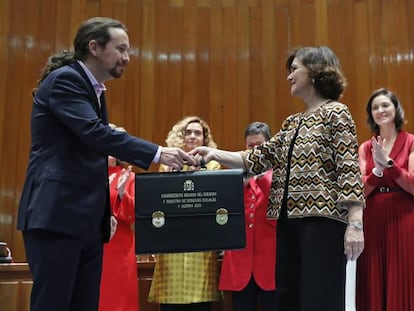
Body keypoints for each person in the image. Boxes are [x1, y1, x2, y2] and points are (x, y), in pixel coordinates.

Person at [17, 17, 195, 311]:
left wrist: (103, 210)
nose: (127, 57)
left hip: (84, 219)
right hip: (57, 214)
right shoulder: (67, 79)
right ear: (95, 47)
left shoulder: (94, 89)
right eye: (120, 49)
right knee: (54, 303)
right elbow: (95, 135)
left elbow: (88, 155)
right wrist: (158, 153)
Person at [189, 46, 365, 311]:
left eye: (295, 69)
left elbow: (349, 169)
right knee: (288, 299)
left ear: (315, 72)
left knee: (320, 299)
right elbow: (256, 159)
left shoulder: (336, 113)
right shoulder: (292, 122)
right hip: (287, 223)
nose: (289, 77)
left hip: (322, 223)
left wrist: (355, 224)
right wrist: (213, 152)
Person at [148, 116, 222, 311]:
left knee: (199, 302)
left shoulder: (213, 165)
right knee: (170, 301)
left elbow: (212, 202)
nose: (192, 136)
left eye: (197, 133)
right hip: (172, 242)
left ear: (205, 140)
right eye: (188, 132)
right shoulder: (167, 165)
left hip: (201, 243)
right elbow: (161, 203)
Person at [356, 88, 414, 311]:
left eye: (385, 105)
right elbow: (360, 190)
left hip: (404, 217)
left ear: (396, 109)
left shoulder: (410, 142)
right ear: (371, 115)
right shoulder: (365, 148)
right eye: (375, 107)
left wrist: (389, 164)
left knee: (401, 274)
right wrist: (377, 171)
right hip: (372, 218)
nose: (380, 110)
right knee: (373, 275)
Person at [219, 121, 278, 311]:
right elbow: (222, 213)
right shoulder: (234, 175)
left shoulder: (279, 175)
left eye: (259, 146)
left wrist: (262, 178)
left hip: (271, 260)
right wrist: (238, 185)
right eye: (250, 146)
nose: (254, 151)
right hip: (240, 260)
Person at [99, 125, 139, 311]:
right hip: (93, 247)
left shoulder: (127, 176)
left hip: (119, 249)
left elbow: (134, 215)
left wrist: (123, 195)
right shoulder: (86, 174)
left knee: (118, 301)